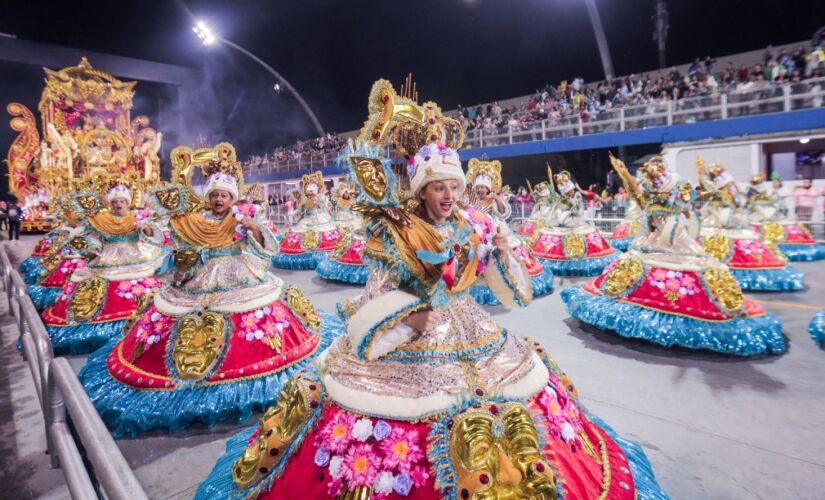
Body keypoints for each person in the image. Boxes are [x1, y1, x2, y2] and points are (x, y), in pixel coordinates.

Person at [196, 83, 666, 499]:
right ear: (421, 190)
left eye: (452, 187)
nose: (447, 195)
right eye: (437, 187)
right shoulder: (398, 229)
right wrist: (402, 317)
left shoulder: (471, 225)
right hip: (411, 332)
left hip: (466, 326)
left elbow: (508, 291)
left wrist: (500, 252)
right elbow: (379, 286)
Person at [77, 143, 340, 437]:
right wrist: (165, 241)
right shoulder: (195, 221)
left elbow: (268, 247)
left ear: (232, 197)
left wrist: (252, 227)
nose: (218, 199)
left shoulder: (243, 218)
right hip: (201, 277)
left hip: (240, 273)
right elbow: (172, 238)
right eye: (214, 194)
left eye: (224, 195)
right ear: (208, 196)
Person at [563, 155, 784, 355]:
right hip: (659, 237)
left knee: (687, 257)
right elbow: (655, 220)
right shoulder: (655, 201)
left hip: (676, 234)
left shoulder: (674, 195)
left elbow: (684, 213)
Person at [40, 174, 166, 355]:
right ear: (110, 203)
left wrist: (146, 229)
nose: (118, 204)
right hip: (106, 259)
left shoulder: (138, 218)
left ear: (128, 202)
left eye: (122, 200)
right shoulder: (100, 221)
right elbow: (94, 242)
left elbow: (156, 235)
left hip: (135, 258)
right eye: (115, 201)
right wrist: (85, 246)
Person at [695, 160, 803, 291]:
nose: (732, 187)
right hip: (718, 225)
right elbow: (722, 217)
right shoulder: (720, 198)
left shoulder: (728, 197)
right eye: (729, 185)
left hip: (727, 223)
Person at [465, 157, 554, 305]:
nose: (480, 189)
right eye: (478, 187)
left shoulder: (493, 199)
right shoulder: (471, 201)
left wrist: (497, 199)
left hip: (494, 229)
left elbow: (504, 213)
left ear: (488, 187)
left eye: (483, 187)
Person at [272, 171, 341, 269]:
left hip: (320, 218)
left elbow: (324, 204)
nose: (311, 187)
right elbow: (302, 211)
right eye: (309, 185)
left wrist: (317, 197)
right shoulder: (305, 199)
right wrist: (300, 202)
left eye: (314, 184)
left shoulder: (321, 197)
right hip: (307, 219)